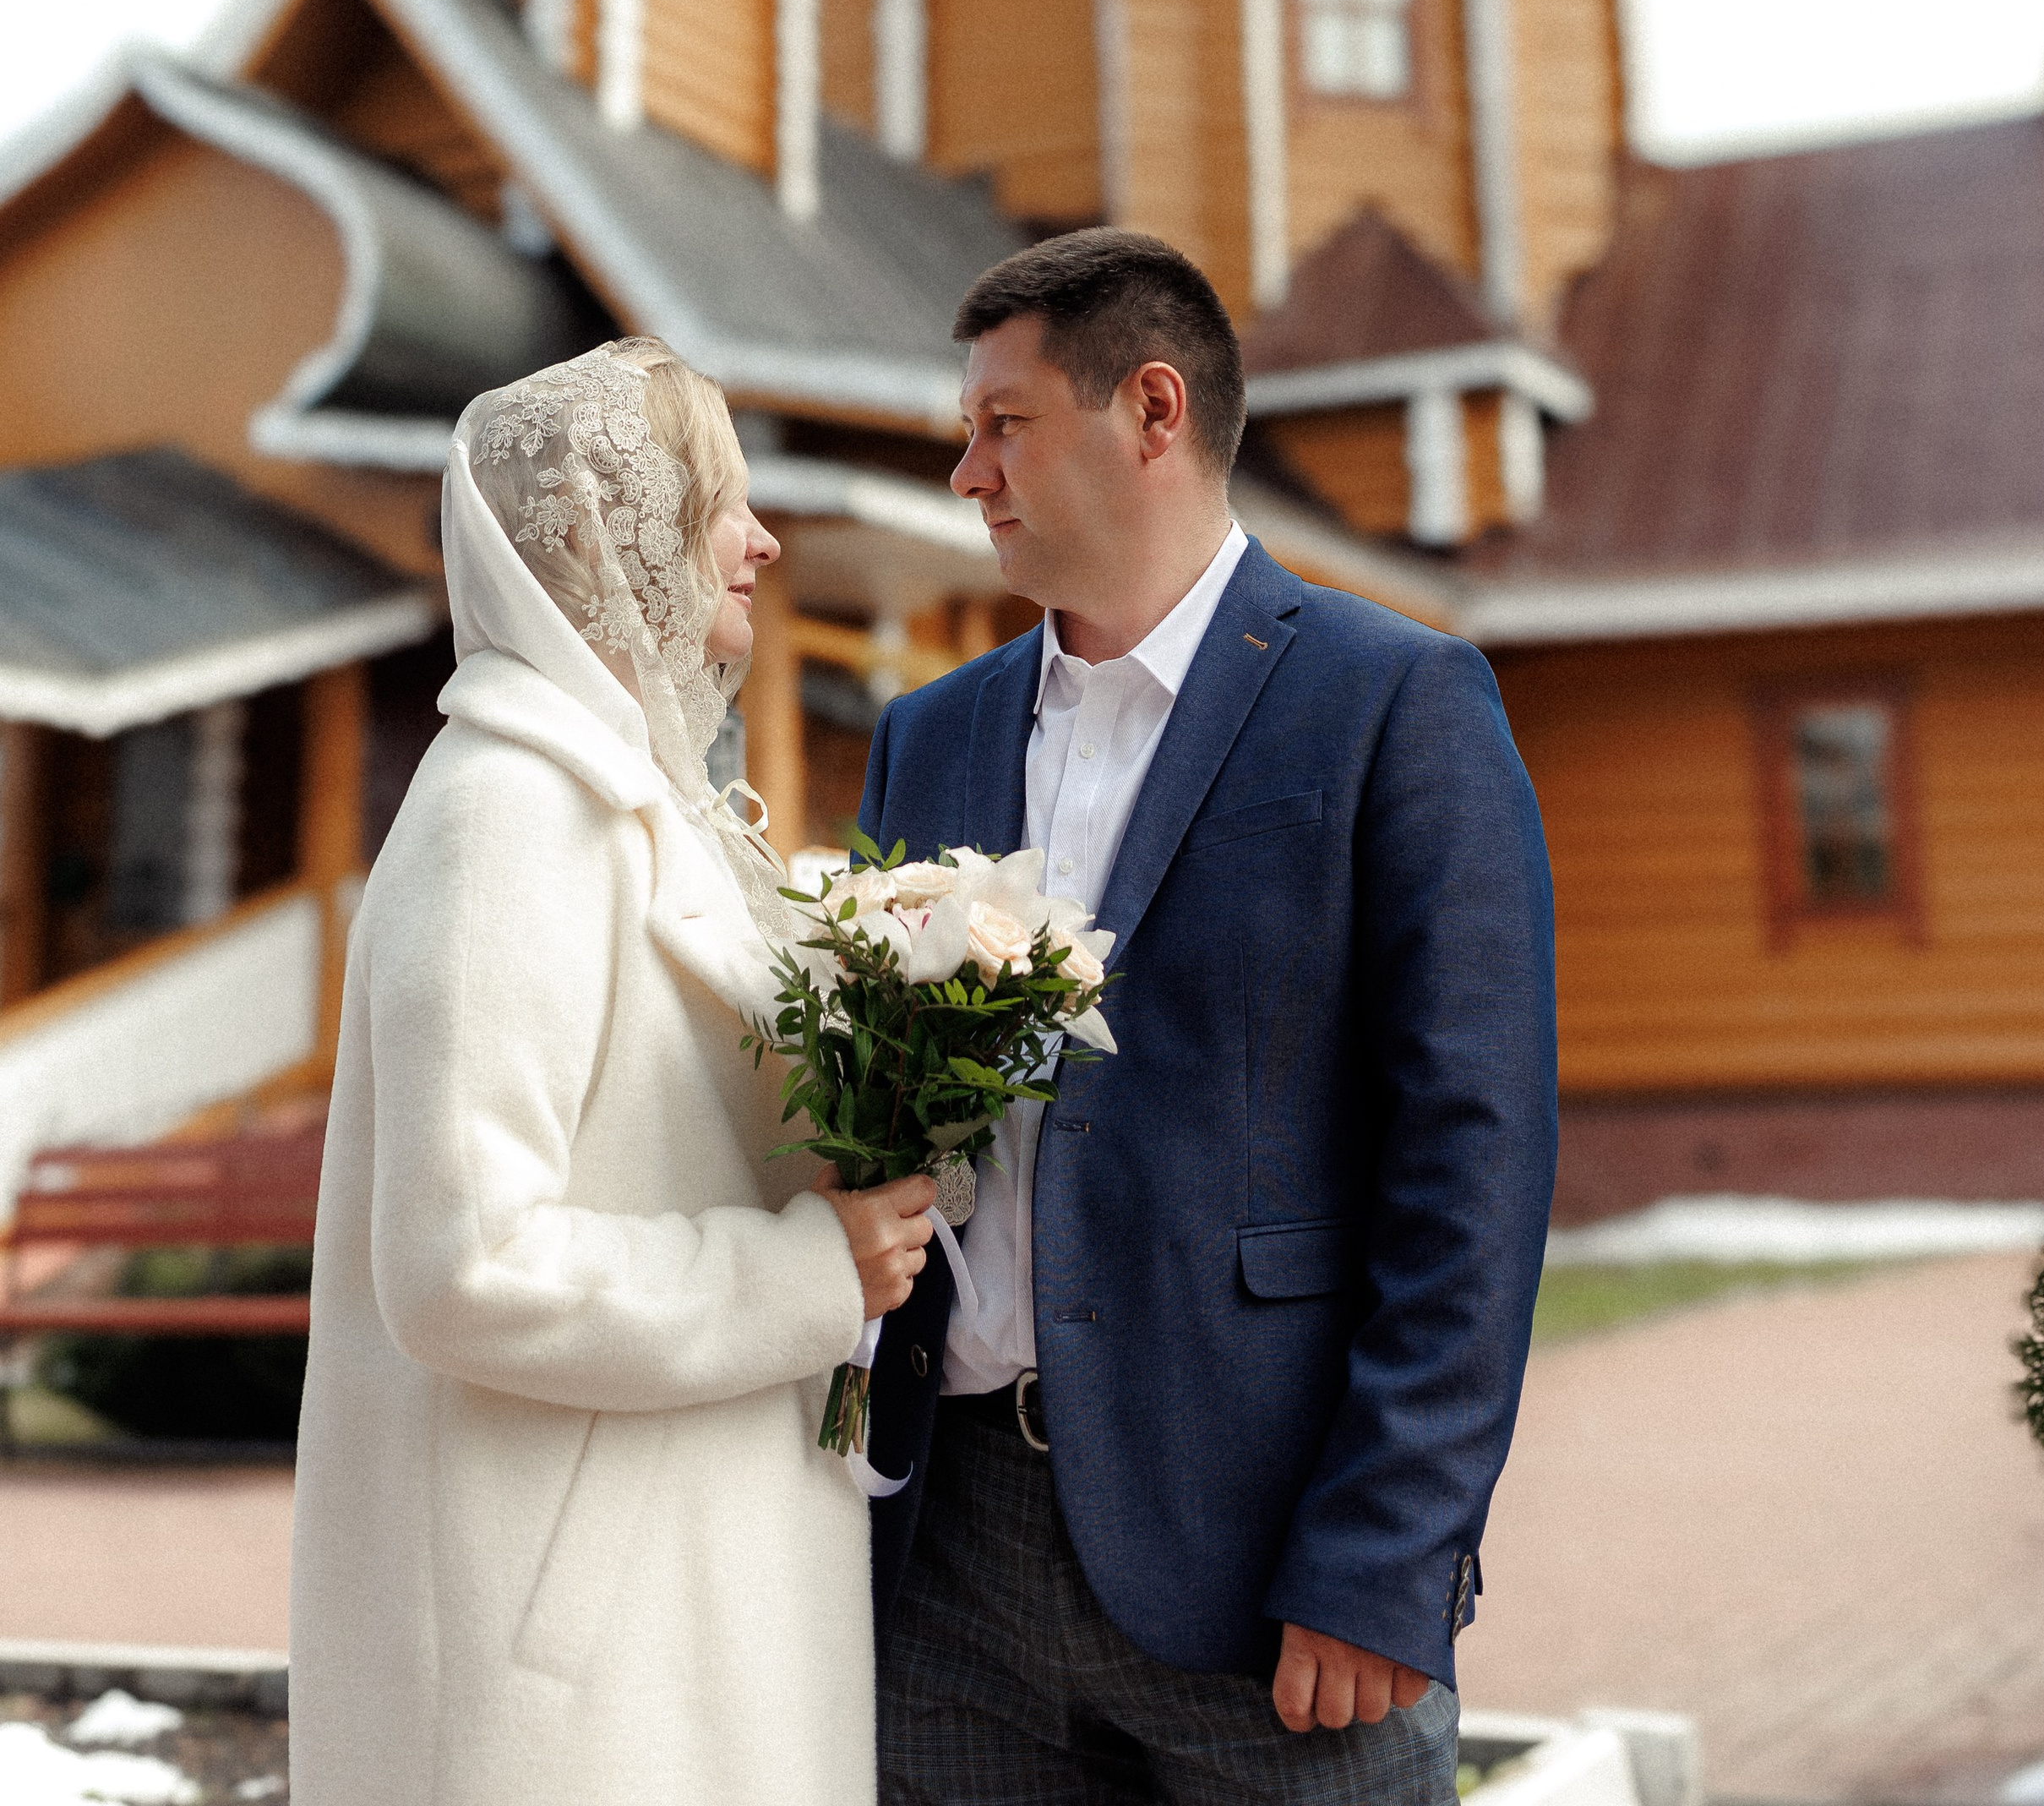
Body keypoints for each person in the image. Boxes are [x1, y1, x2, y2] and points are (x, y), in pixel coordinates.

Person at [862, 232, 1557, 1805]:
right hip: (946, 1569)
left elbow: (1477, 1156)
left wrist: (1388, 1555)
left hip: (1269, 1576)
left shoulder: (1395, 703)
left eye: (1004, 422)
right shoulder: (926, 738)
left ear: (1153, 410)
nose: (967, 468)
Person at [290, 338, 935, 1806]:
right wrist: (802, 1275)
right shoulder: (512, 814)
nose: (764, 539)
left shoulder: (641, 802)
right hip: (568, 1653)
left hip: (678, 1585)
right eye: (721, 499)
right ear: (608, 527)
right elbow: (463, 1263)